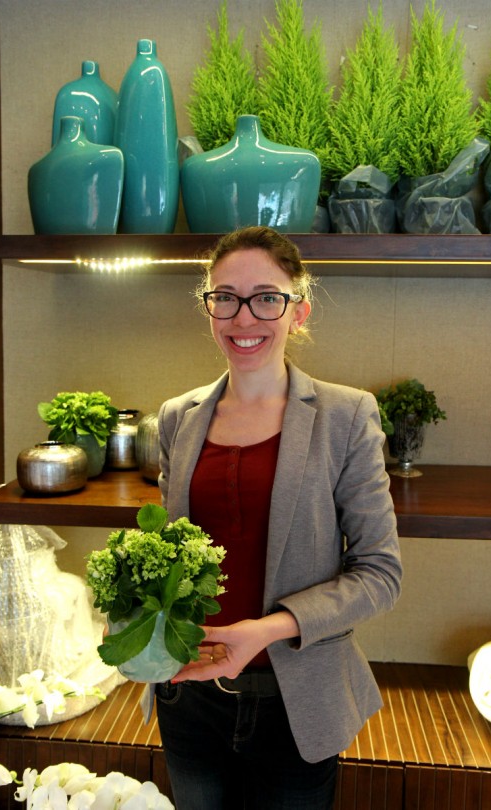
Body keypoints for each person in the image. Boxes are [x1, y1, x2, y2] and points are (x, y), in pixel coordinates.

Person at [155, 225, 402, 810]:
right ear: (209, 308)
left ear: (298, 311)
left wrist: (264, 631)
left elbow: (380, 572)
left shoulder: (346, 415)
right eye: (226, 298)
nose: (245, 318)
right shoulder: (177, 417)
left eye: (267, 297)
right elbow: (170, 556)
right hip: (188, 698)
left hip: (295, 701)